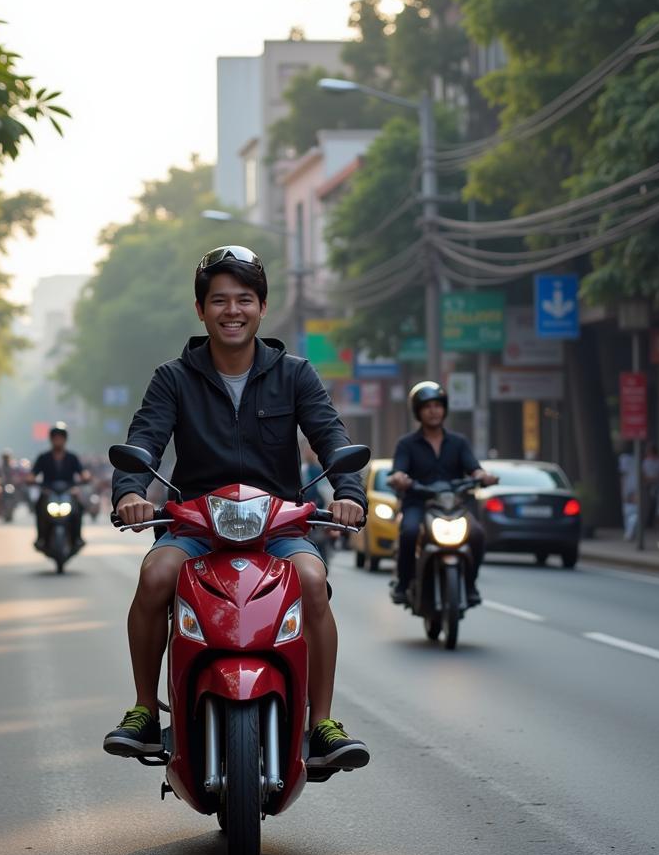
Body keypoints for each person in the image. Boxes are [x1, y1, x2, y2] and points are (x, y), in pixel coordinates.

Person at [104, 244, 370, 771]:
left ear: (262, 308)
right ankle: (142, 708)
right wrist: (130, 491)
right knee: (156, 574)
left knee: (313, 581)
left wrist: (349, 495)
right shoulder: (172, 378)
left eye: (244, 299)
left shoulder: (296, 374)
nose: (232, 311)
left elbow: (331, 437)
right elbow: (145, 438)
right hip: (197, 524)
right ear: (200, 310)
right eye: (219, 300)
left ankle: (322, 722)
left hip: (277, 525)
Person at [387, 382, 497, 607]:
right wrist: (398, 477)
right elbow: (398, 470)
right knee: (408, 532)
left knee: (477, 534)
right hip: (419, 503)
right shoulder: (406, 444)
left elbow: (473, 468)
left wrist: (483, 475)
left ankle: (470, 584)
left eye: (438, 405)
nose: (433, 410)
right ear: (418, 411)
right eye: (427, 406)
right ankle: (403, 583)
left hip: (453, 505)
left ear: (445, 409)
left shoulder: (458, 442)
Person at [30, 423, 90, 552]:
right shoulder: (43, 457)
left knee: (79, 506)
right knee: (38, 506)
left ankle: (77, 537)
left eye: (61, 437)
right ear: (51, 439)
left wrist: (85, 478)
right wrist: (30, 479)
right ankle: (40, 538)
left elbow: (83, 473)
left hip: (69, 492)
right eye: (55, 437)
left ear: (65, 439)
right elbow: (32, 474)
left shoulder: (72, 457)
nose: (58, 440)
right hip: (48, 492)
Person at [641, 443, 659, 528]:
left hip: (658, 486)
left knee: (657, 505)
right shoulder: (645, 461)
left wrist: (655, 479)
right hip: (648, 486)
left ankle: (655, 522)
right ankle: (647, 522)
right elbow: (643, 474)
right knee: (648, 505)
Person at [618, 445, 638, 541]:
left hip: (629, 487)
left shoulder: (624, 458)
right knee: (633, 511)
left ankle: (629, 532)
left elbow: (623, 475)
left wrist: (622, 490)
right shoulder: (638, 457)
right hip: (636, 487)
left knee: (629, 511)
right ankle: (630, 532)